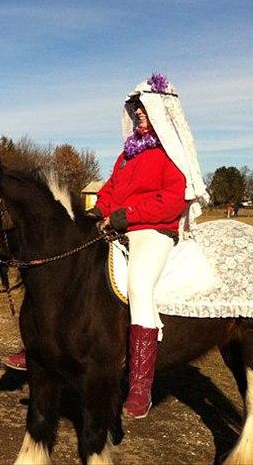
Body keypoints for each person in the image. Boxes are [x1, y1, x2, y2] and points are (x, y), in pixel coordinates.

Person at [89, 73, 209, 418]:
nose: (138, 112)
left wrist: (127, 216)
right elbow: (110, 189)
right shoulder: (127, 154)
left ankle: (140, 387)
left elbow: (172, 200)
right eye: (136, 107)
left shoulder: (171, 153)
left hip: (153, 231)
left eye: (144, 107)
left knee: (139, 288)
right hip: (118, 226)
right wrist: (99, 210)